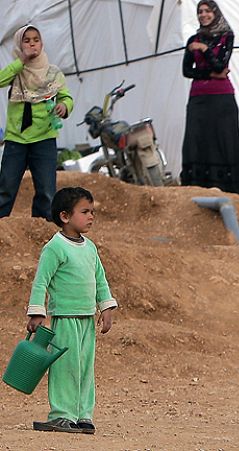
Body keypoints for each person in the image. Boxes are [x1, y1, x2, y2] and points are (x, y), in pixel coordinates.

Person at [26, 187, 117, 434]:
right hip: (65, 320)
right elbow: (41, 282)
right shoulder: (55, 247)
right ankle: (62, 414)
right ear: (65, 216)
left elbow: (100, 279)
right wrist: (37, 312)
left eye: (92, 212)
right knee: (65, 367)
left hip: (87, 320)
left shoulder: (90, 248)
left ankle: (83, 415)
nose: (91, 216)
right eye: (85, 212)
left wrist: (106, 307)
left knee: (85, 368)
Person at [0, 25, 72, 220]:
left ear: (42, 44)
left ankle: (42, 228)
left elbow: (66, 97)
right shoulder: (15, 71)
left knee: (47, 191)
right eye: (26, 40)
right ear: (19, 45)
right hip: (16, 139)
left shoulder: (53, 73)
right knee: (5, 187)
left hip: (44, 138)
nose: (32, 44)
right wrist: (21, 61)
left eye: (36, 40)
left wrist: (64, 106)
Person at [181, 0, 239, 196]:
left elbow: (220, 65)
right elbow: (187, 71)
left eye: (207, 11)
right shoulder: (192, 39)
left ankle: (229, 188)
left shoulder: (227, 36)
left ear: (215, 13)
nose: (203, 15)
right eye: (200, 11)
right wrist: (210, 74)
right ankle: (198, 186)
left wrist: (204, 49)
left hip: (221, 98)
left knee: (223, 140)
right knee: (197, 139)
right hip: (198, 98)